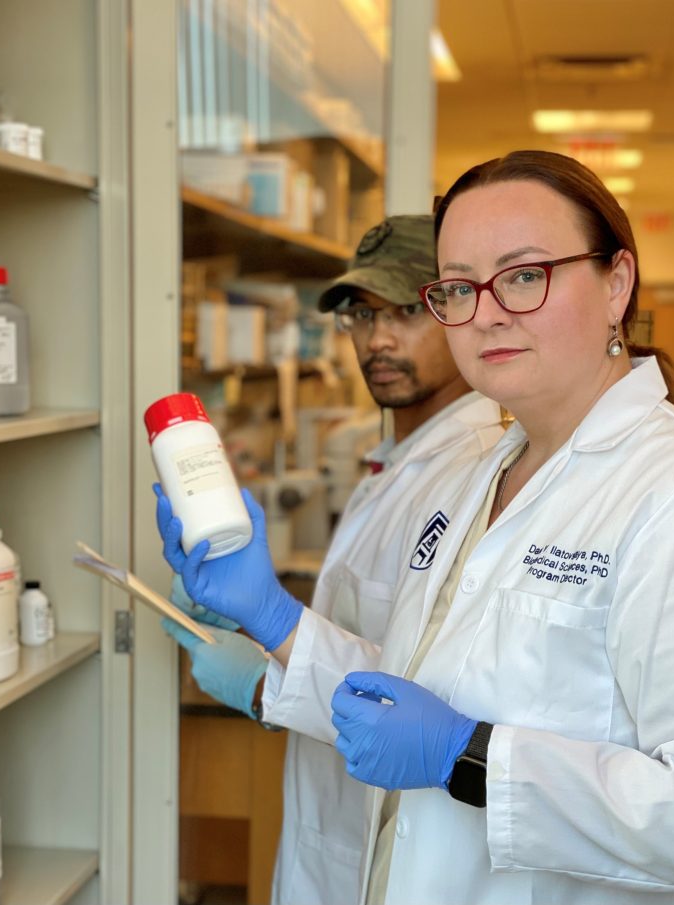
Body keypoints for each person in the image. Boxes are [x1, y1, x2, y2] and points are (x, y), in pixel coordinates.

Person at [157, 151, 674, 905]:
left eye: (524, 274)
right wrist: (271, 617)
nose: (488, 311)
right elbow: (411, 696)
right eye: (459, 287)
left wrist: (470, 758)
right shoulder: (484, 475)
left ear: (616, 282)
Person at [162, 213, 505, 905]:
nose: (377, 337)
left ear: (456, 309)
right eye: (359, 314)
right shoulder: (394, 464)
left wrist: (271, 676)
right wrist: (259, 632)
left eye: (406, 310)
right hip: (334, 829)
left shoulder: (476, 476)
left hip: (393, 844)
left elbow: (433, 702)